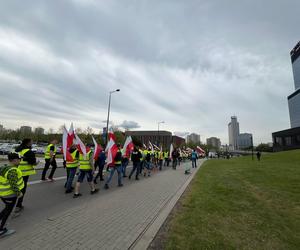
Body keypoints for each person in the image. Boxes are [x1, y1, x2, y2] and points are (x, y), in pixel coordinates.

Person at [0, 153, 24, 237]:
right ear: (14, 160)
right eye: (19, 159)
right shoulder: (13, 170)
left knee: (6, 208)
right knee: (8, 212)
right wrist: (19, 193)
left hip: (3, 194)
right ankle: (2, 230)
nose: (20, 161)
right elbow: (13, 184)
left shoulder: (4, 167)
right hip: (10, 195)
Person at [15, 138, 37, 213]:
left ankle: (11, 202)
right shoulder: (29, 152)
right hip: (24, 173)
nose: (32, 143)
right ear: (28, 143)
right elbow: (33, 163)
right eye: (31, 142)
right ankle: (18, 205)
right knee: (22, 189)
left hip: (15, 171)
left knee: (15, 187)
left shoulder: (17, 150)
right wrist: (36, 162)